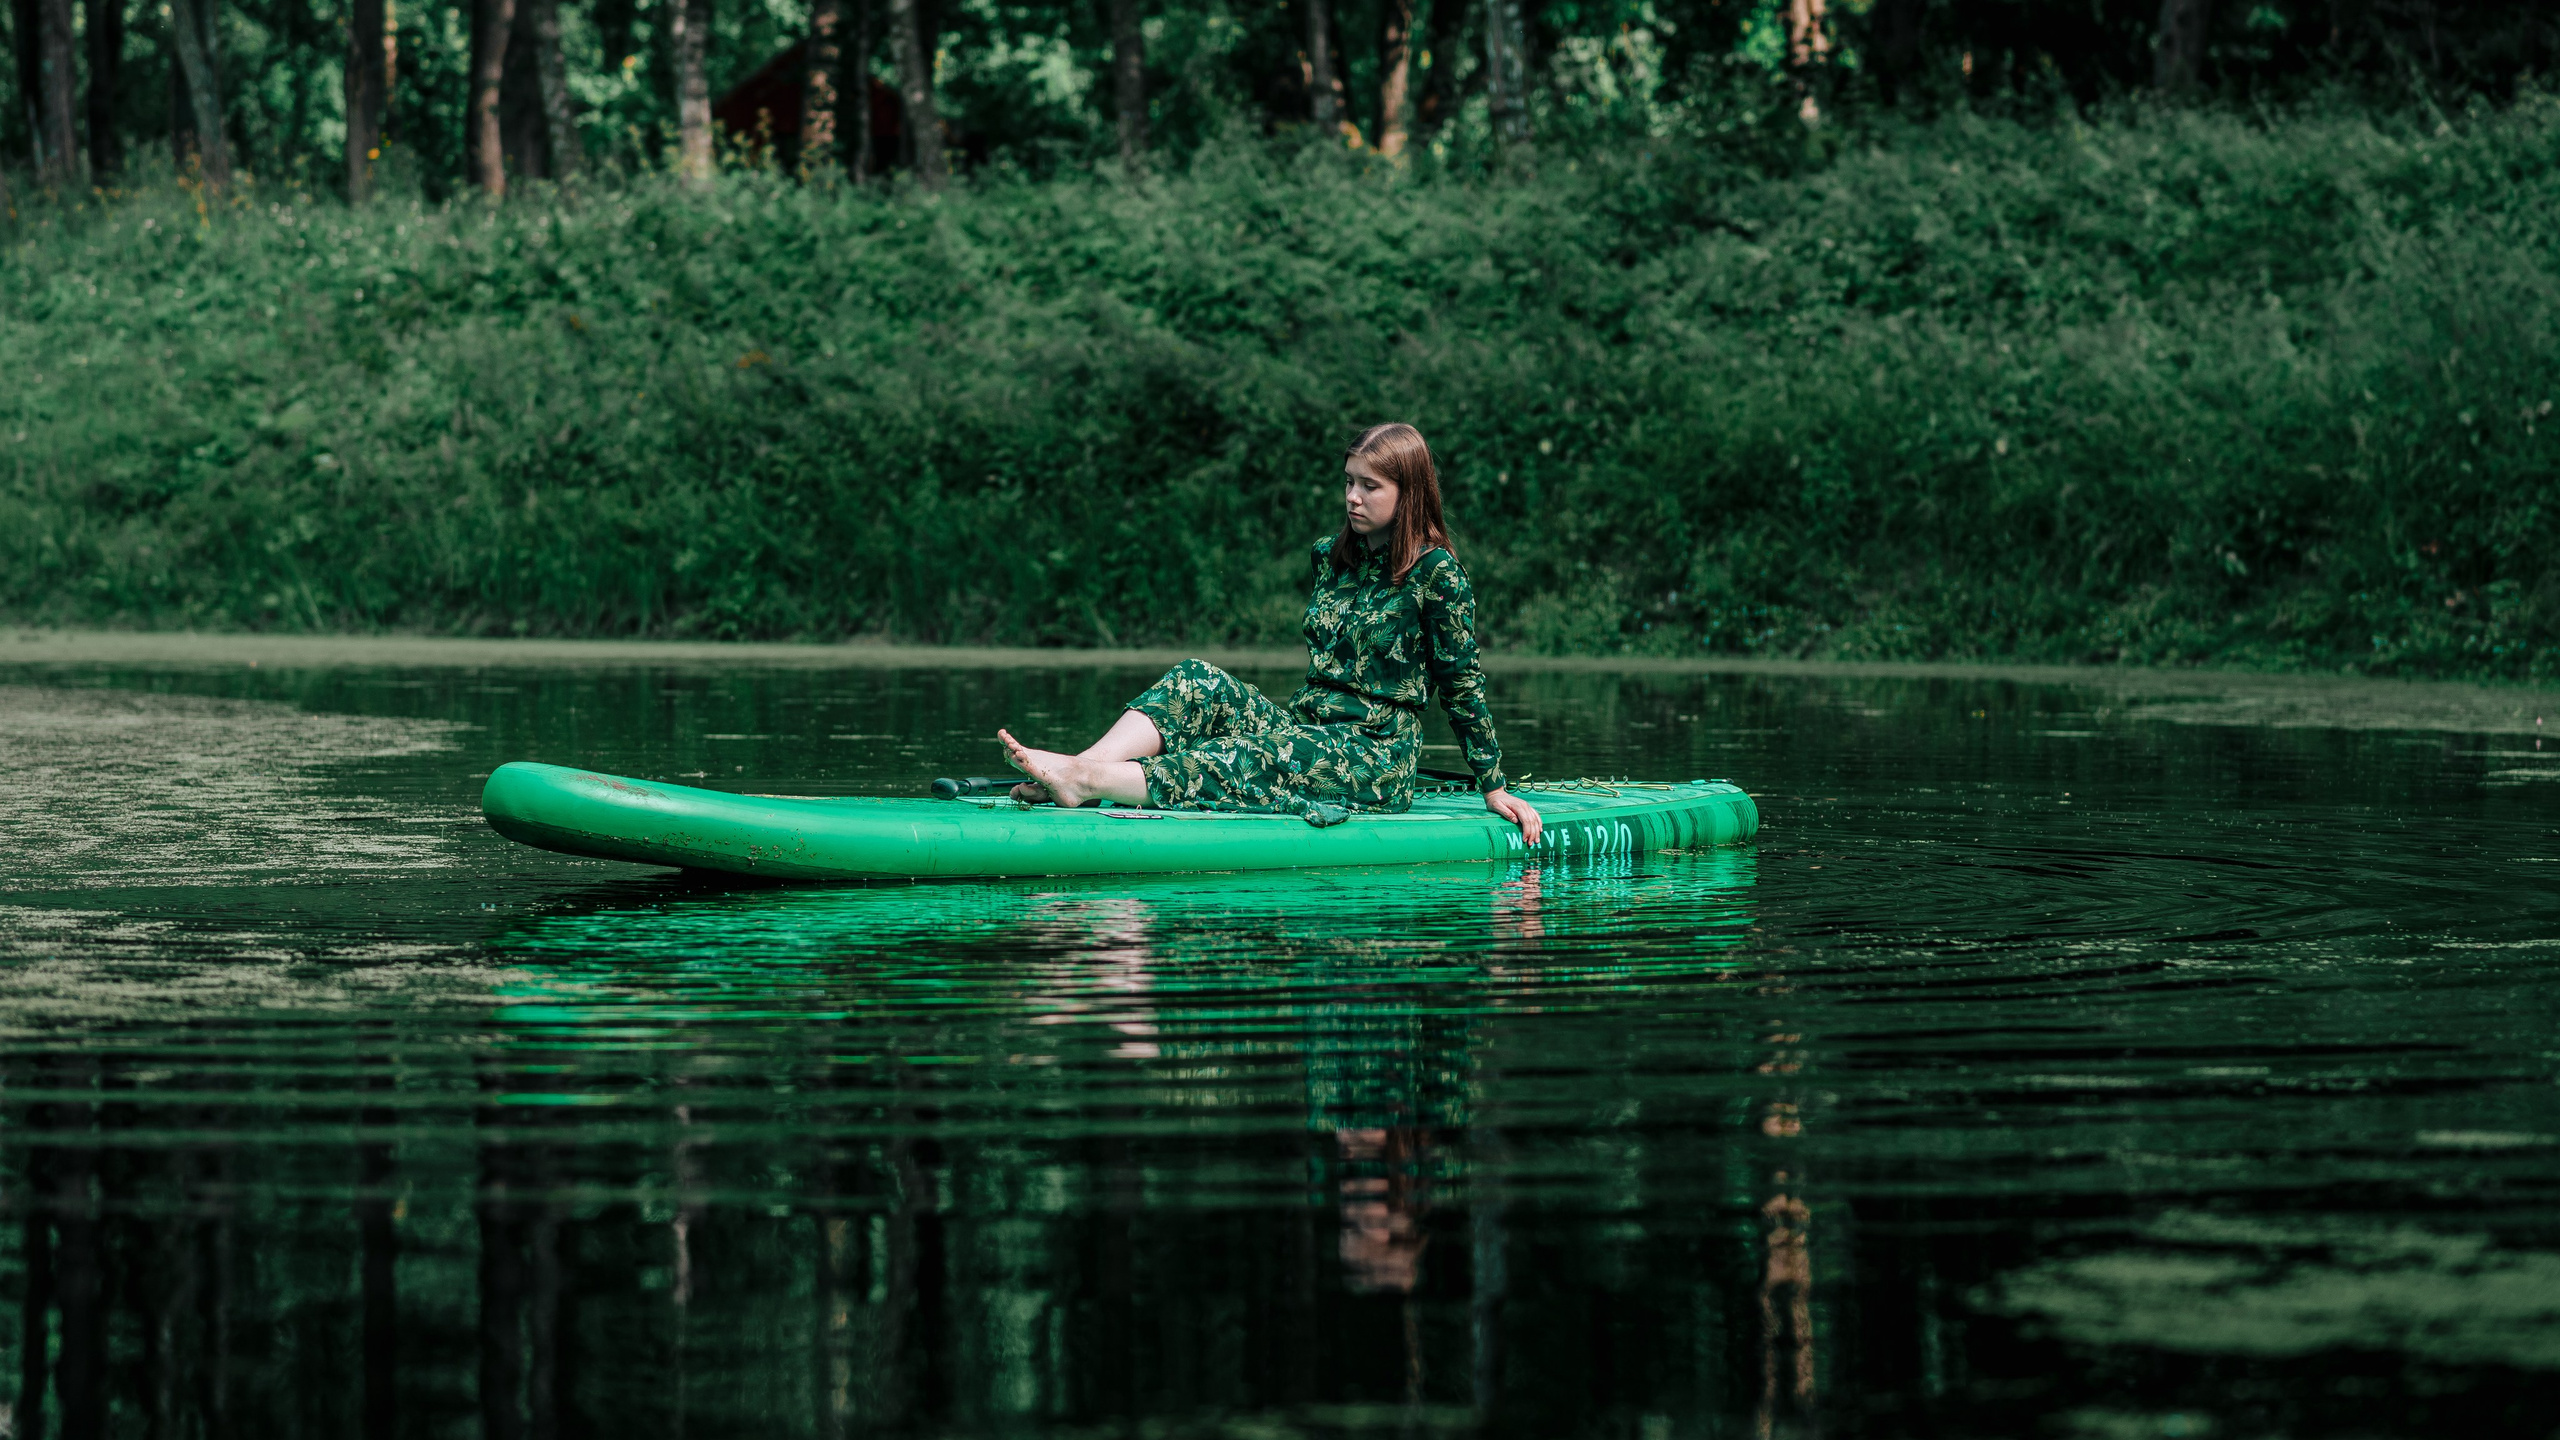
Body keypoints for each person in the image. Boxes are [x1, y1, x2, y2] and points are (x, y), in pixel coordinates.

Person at [999, 422, 1544, 844]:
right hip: (1306, 727)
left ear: (1409, 493)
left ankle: (1090, 783)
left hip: (1374, 758)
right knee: (1197, 680)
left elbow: (1461, 683)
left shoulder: (1437, 574)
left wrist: (1492, 784)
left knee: (1251, 755)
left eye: (1369, 486)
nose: (1352, 497)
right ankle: (1079, 774)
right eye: (1348, 481)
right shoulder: (1332, 557)